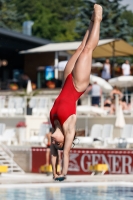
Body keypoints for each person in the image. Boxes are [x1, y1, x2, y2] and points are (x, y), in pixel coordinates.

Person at [50, 4, 102, 181]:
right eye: (58, 144)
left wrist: (54, 172)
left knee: (80, 48)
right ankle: (98, 19)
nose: (54, 143)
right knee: (88, 50)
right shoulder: (68, 128)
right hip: (78, 85)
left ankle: (91, 21)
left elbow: (54, 155)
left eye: (54, 144)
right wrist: (63, 174)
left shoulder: (53, 125)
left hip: (66, 81)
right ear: (63, 141)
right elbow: (64, 155)